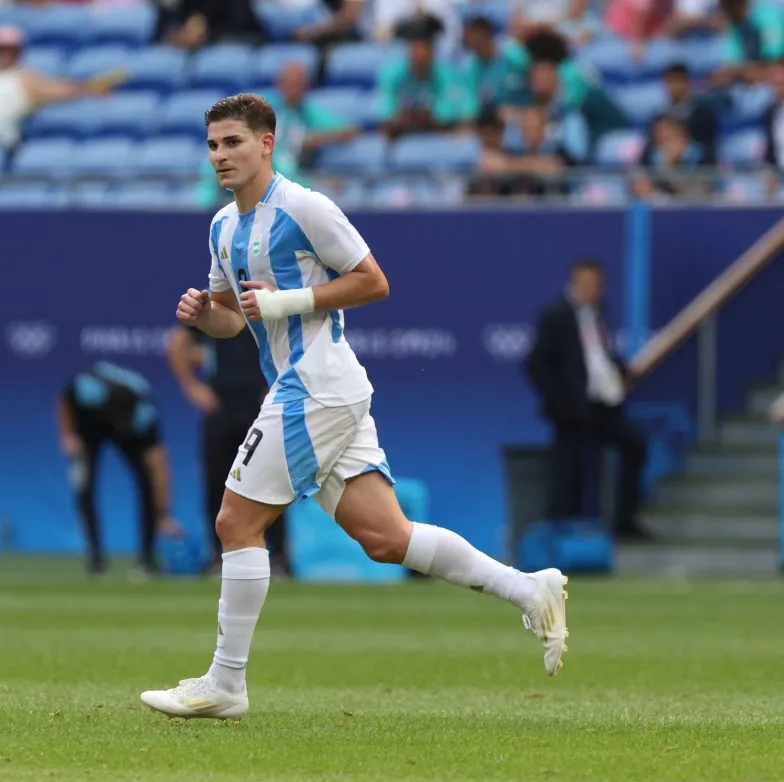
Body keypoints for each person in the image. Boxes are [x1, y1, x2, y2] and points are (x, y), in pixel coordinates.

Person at [140, 94, 570, 720]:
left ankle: (226, 683)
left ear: (267, 142)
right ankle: (530, 589)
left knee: (236, 523)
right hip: (319, 388)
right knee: (386, 538)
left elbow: (374, 281)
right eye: (212, 145)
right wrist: (208, 316)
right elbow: (234, 321)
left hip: (313, 387)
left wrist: (286, 302)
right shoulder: (222, 227)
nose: (220, 156)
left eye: (233, 142)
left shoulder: (305, 206)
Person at [524, 259, 649, 540]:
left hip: (602, 406)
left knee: (635, 445)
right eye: (586, 284)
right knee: (569, 471)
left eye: (596, 285)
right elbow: (536, 364)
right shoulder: (555, 315)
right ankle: (564, 536)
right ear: (574, 283)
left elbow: (599, 358)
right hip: (571, 410)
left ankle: (624, 521)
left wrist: (624, 373)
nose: (592, 290)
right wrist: (559, 402)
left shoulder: (597, 316)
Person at [166, 324, 290, 577]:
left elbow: (295, 346)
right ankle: (218, 557)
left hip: (262, 407)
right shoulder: (219, 303)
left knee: (271, 481)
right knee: (217, 485)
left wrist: (279, 388)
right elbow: (177, 342)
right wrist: (192, 387)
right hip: (221, 408)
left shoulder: (270, 302)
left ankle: (277, 557)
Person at [56, 360, 179, 577]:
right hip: (90, 427)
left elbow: (159, 465)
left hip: (127, 431)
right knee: (85, 487)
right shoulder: (90, 390)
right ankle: (96, 560)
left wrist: (163, 513)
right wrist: (68, 435)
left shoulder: (143, 412)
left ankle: (147, 560)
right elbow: (64, 400)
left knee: (146, 483)